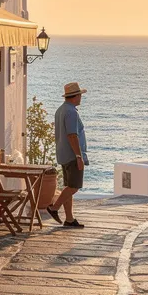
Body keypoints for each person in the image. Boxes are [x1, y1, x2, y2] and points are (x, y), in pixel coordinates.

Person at [51, 82, 88, 228]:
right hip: (72, 155)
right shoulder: (71, 112)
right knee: (74, 187)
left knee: (68, 186)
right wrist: (79, 156)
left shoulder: (61, 110)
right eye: (80, 95)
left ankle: (69, 219)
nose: (81, 98)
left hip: (63, 153)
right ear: (75, 96)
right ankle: (54, 208)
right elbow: (72, 135)